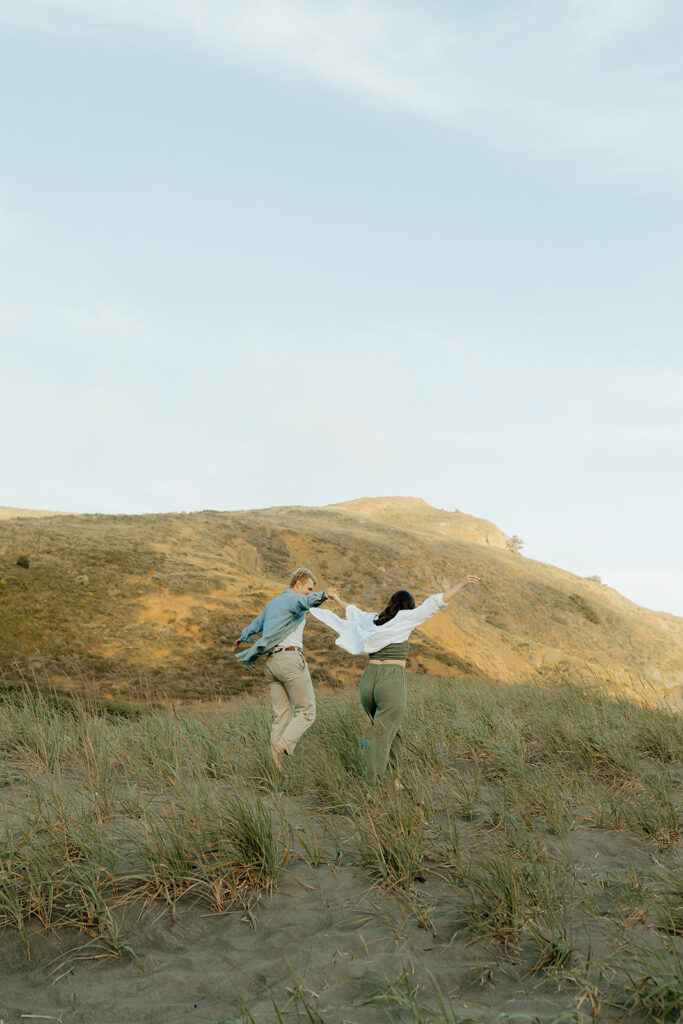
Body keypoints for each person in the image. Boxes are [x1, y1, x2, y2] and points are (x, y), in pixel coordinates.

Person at [310, 574, 480, 784]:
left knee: (391, 731)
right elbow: (435, 603)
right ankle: (372, 787)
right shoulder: (406, 618)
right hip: (390, 681)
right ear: (408, 607)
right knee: (382, 736)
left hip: (368, 682)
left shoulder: (373, 620)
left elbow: (352, 612)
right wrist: (461, 584)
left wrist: (335, 599)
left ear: (390, 603)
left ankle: (395, 780)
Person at [234, 568, 338, 770]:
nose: (309, 592)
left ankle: (273, 767)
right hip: (290, 660)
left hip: (272, 664)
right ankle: (277, 750)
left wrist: (243, 636)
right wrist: (323, 594)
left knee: (282, 716)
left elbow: (257, 623)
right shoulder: (293, 600)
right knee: (307, 712)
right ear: (297, 583)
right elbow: (305, 602)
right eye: (308, 588)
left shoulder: (273, 604)